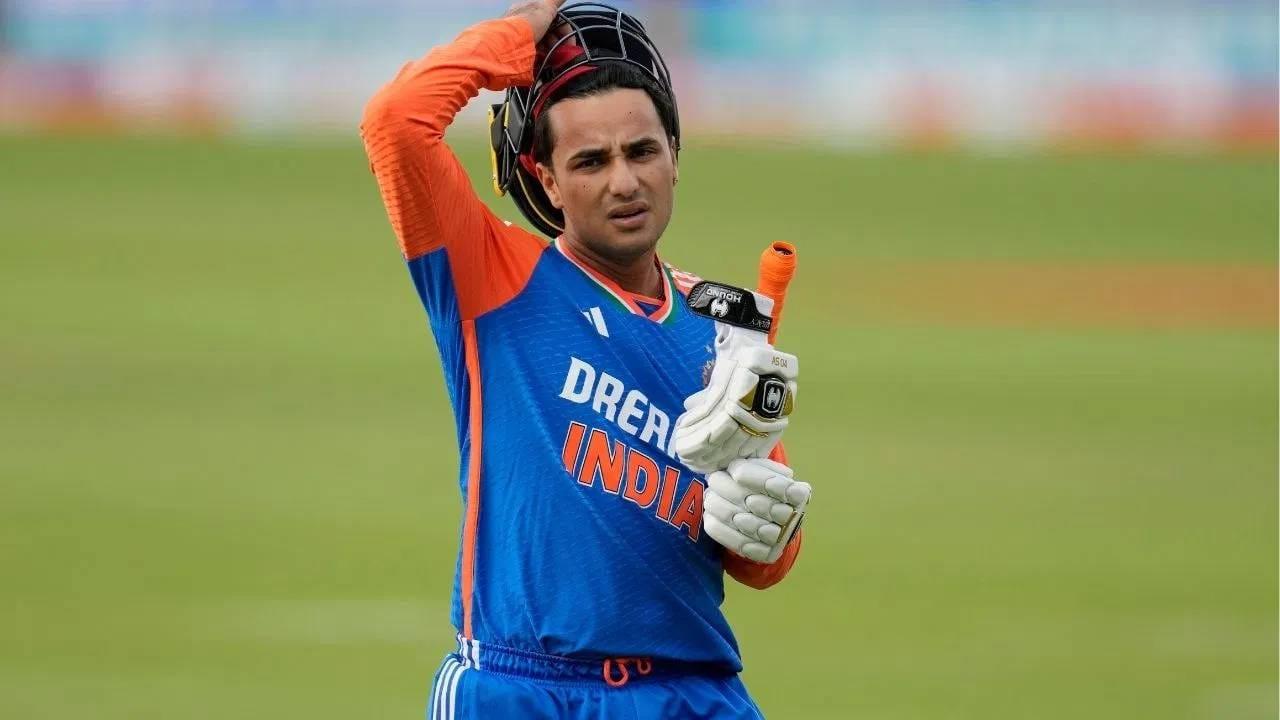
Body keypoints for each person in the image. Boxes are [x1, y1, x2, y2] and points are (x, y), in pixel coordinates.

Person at [360, 2, 812, 717]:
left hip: (691, 692)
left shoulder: (725, 325)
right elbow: (396, 121)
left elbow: (761, 558)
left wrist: (769, 531)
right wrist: (520, 31)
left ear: (675, 155)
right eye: (590, 162)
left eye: (642, 152)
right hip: (520, 687)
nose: (624, 182)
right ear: (545, 179)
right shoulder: (491, 276)